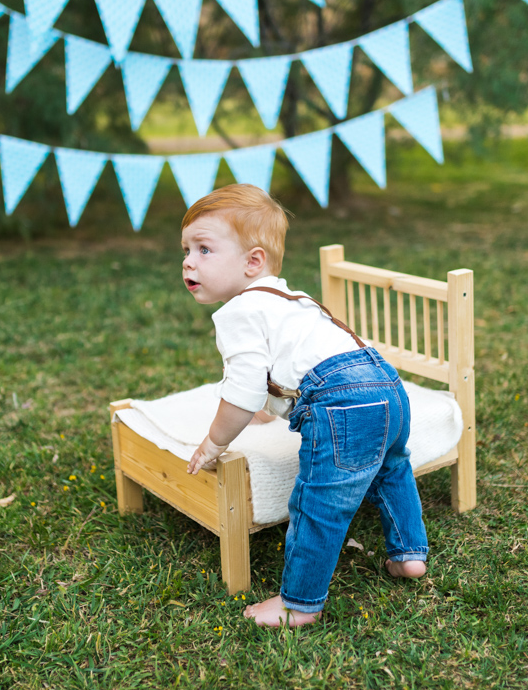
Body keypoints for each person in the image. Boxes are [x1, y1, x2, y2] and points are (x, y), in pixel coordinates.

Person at [181, 184, 429, 628]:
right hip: (386, 384)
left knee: (319, 502)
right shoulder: (292, 299)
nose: (188, 261)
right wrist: (265, 406)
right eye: (186, 250)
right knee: (392, 467)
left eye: (204, 249)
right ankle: (409, 555)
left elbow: (241, 390)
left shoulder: (238, 312)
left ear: (253, 261)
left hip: (340, 404)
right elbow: (285, 373)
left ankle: (299, 603)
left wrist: (213, 443)